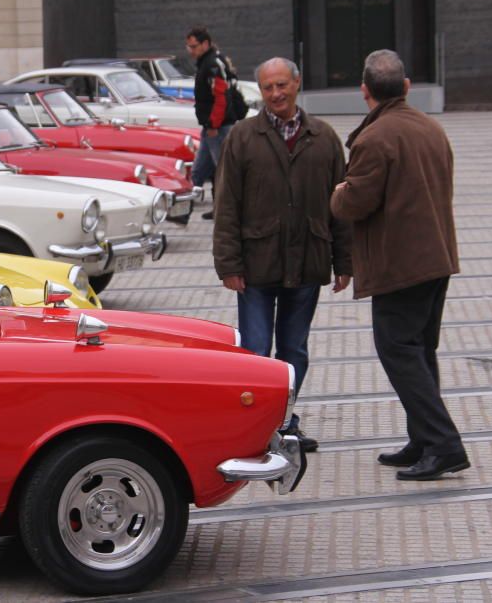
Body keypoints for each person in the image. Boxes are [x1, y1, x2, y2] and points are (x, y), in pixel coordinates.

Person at [331, 49, 468, 481]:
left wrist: (337, 192)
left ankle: (443, 444)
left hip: (400, 264)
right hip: (436, 257)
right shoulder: (430, 128)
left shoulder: (376, 139)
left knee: (399, 351)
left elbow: (354, 202)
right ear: (406, 87)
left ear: (364, 91)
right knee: (421, 350)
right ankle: (424, 440)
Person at [213, 57, 352, 453]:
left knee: (294, 352)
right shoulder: (242, 136)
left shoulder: (323, 137)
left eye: (281, 86)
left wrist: (344, 262)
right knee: (256, 352)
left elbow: (339, 205)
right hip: (255, 266)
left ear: (296, 84)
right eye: (268, 87)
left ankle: (285, 422)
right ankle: (256, 429)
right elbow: (226, 205)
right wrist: (228, 264)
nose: (275, 94)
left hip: (307, 263)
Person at [185, 26, 235, 220]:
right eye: (188, 47)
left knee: (223, 170)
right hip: (211, 127)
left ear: (205, 44)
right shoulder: (206, 62)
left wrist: (213, 124)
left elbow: (221, 96)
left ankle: (228, 210)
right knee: (200, 170)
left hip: (218, 127)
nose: (191, 51)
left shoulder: (212, 64)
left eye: (194, 46)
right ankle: (186, 209)